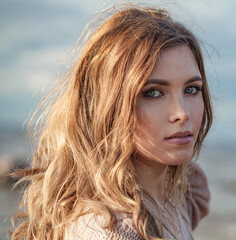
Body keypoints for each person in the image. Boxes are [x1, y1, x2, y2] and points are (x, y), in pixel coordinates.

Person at [11, 3, 212, 240]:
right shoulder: (107, 230)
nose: (182, 113)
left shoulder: (176, 192)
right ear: (108, 106)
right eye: (153, 92)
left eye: (191, 89)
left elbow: (196, 191)